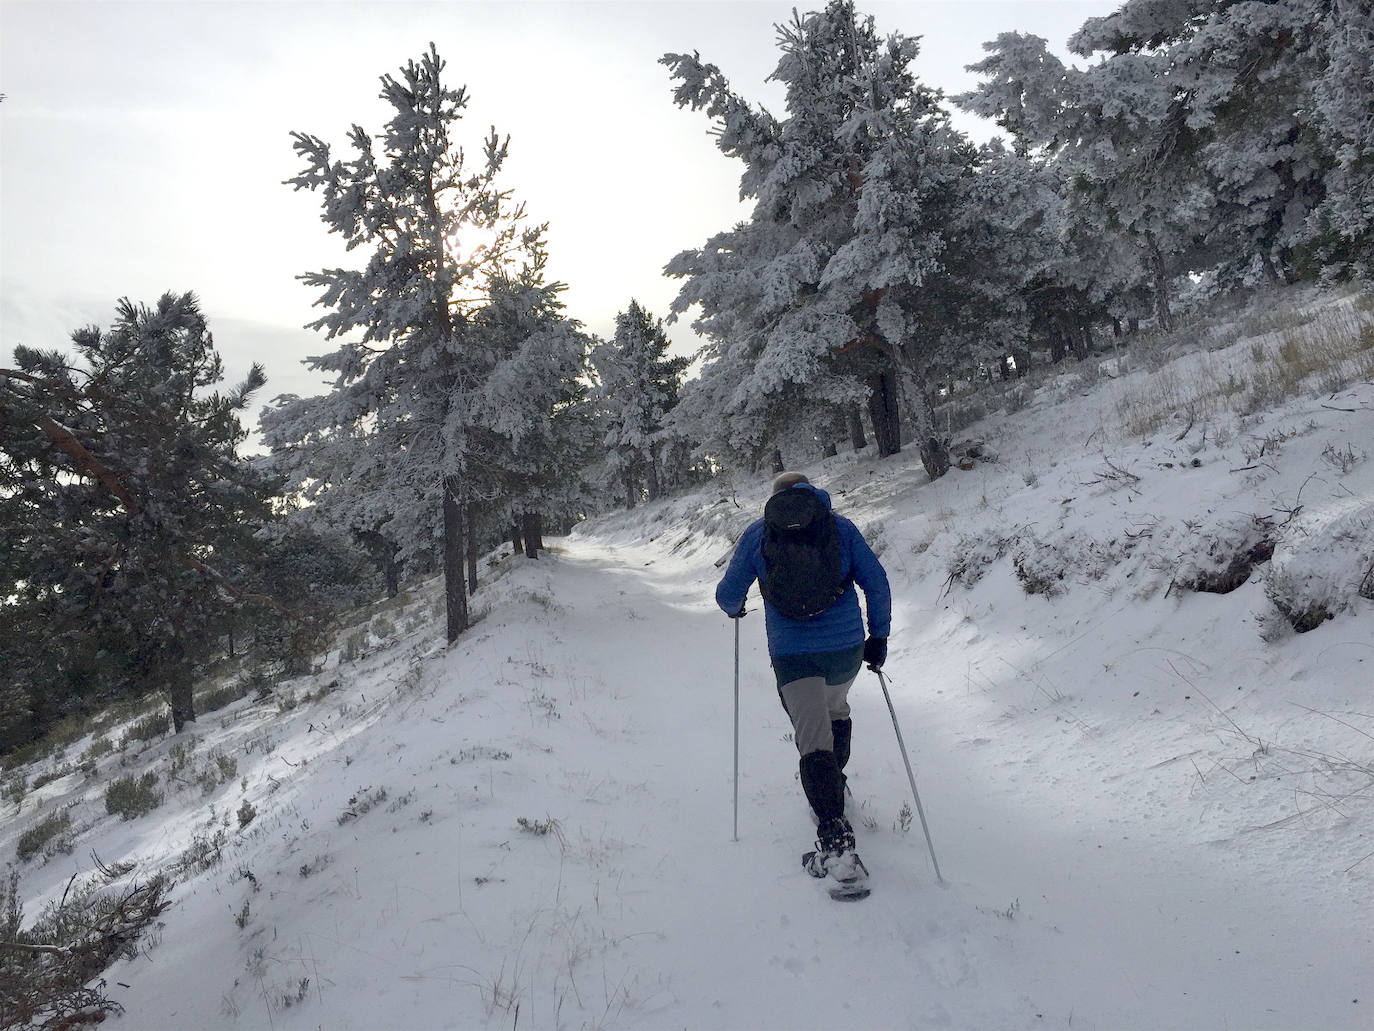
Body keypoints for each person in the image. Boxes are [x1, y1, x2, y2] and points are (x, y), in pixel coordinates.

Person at [715, 471, 891, 879]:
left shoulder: (759, 533)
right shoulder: (841, 528)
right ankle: (835, 786)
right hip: (845, 649)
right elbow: (877, 583)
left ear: (775, 500)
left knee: (813, 740)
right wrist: (878, 636)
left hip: (794, 656)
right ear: (812, 493)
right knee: (836, 711)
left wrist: (734, 608)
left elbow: (727, 594)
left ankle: (837, 850)